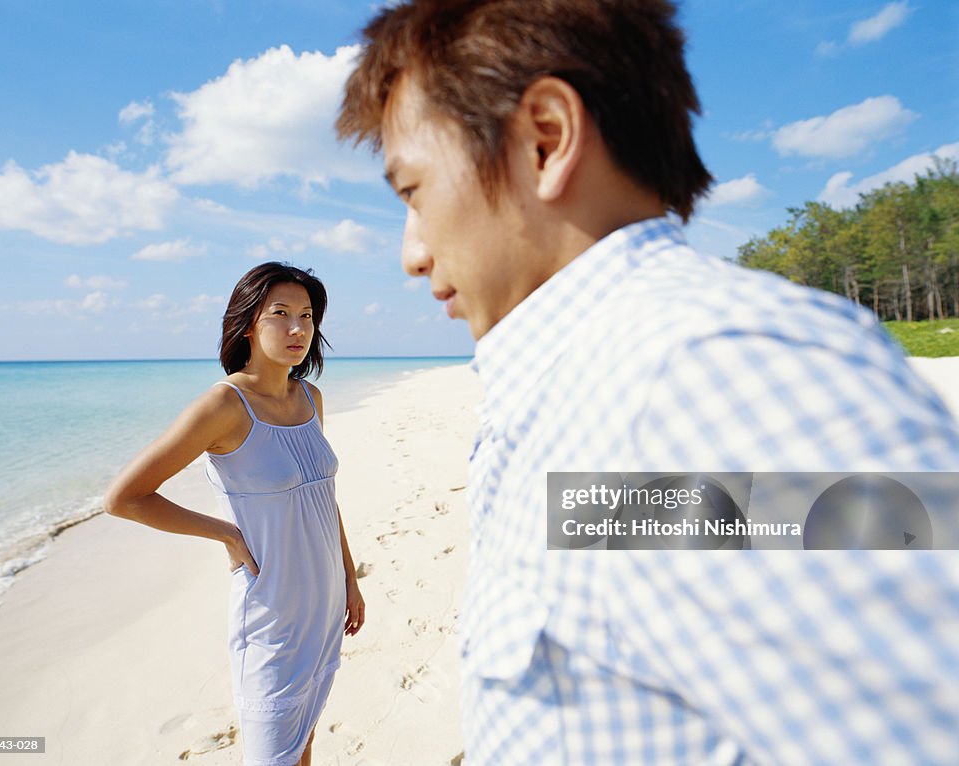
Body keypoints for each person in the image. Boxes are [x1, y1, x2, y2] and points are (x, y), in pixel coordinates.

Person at [336, 1, 959, 764]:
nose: (413, 254)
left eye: (413, 193)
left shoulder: (704, 381)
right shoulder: (602, 400)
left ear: (545, 139)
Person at [105, 262, 364, 766]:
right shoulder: (224, 405)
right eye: (281, 314)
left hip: (325, 602)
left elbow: (323, 500)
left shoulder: (311, 398)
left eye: (307, 317)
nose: (298, 330)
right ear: (248, 323)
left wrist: (350, 579)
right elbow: (125, 497)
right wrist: (225, 533)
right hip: (271, 613)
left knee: (304, 740)